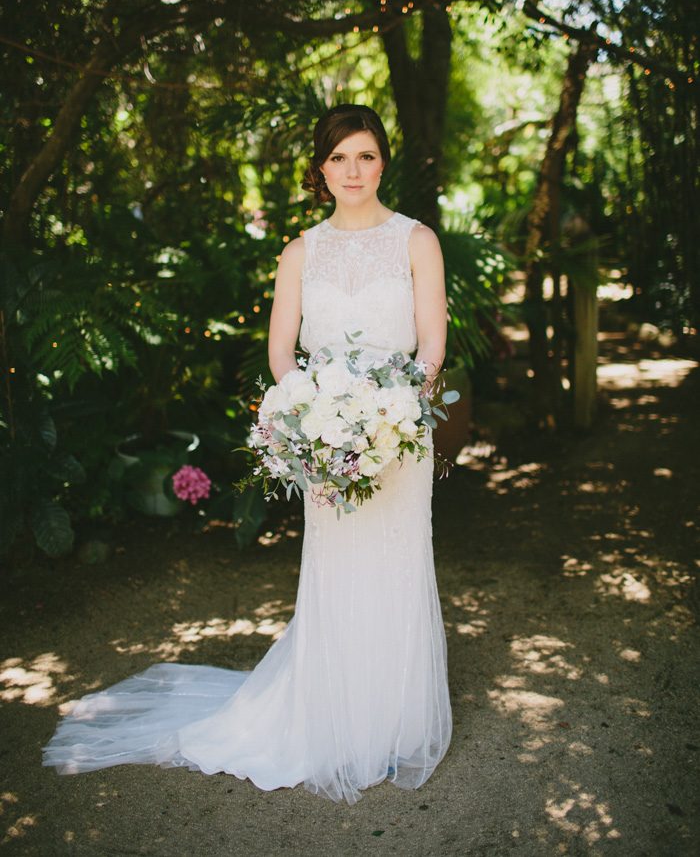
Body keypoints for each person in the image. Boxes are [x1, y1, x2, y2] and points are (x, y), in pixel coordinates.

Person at [42, 103, 452, 804]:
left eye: (366, 155)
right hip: (327, 444)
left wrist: (398, 415)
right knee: (338, 577)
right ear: (320, 170)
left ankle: (391, 726)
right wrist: (311, 420)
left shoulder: (417, 241)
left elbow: (433, 343)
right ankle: (336, 721)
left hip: (399, 438)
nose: (353, 170)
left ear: (383, 162)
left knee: (399, 569)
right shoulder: (300, 251)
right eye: (339, 158)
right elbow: (280, 348)